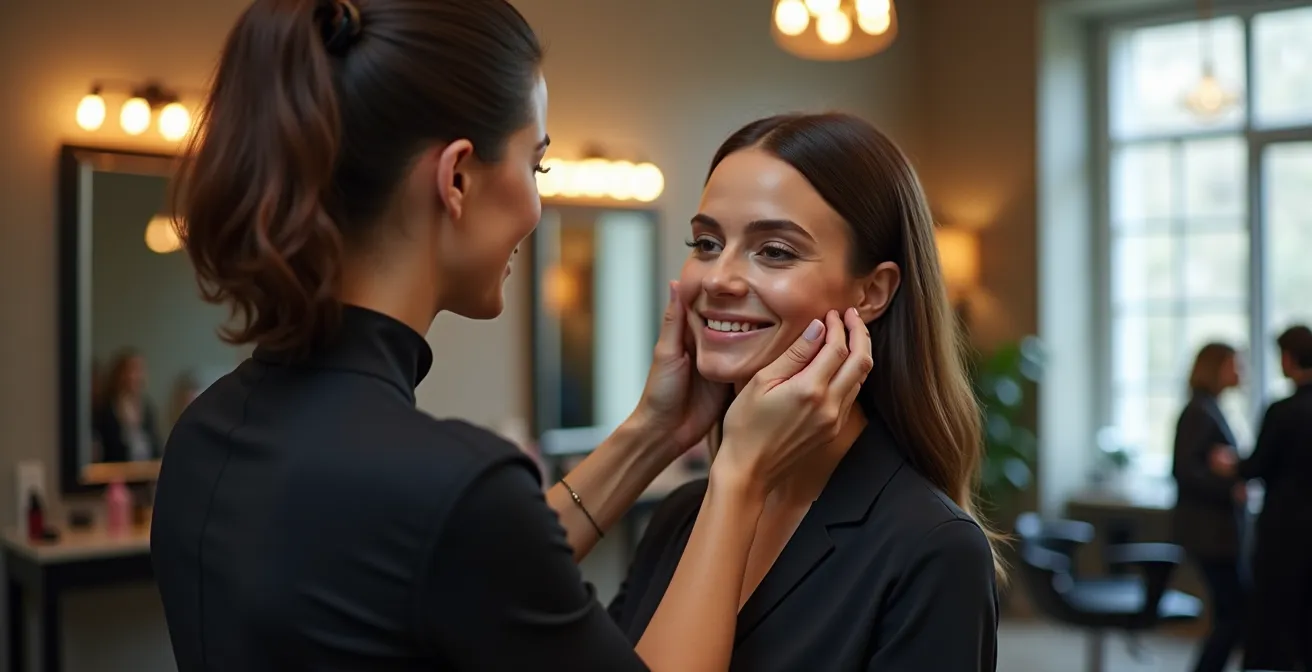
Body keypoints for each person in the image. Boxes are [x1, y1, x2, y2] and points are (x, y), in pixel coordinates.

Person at [147, 1, 874, 670]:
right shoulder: (451, 485)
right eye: (537, 164)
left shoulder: (205, 433)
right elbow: (465, 541)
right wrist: (741, 475)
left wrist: (654, 433)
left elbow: (470, 577)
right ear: (457, 178)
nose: (537, 203)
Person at [607, 113, 1001, 671]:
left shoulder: (931, 548)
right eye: (706, 242)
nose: (718, 278)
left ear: (872, 291)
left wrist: (739, 476)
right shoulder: (680, 518)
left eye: (774, 251)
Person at [1214, 325, 1312, 671]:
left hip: (1285, 527)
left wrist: (1231, 465)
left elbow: (1256, 466)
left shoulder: (1283, 411)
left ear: (1287, 359)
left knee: (1277, 610)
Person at [1170, 342, 1247, 672]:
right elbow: (1185, 471)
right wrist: (1230, 484)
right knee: (1236, 612)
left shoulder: (1209, 407)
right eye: (1234, 365)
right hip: (1208, 534)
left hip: (1216, 532)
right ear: (1215, 368)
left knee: (1232, 612)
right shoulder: (1199, 411)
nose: (1241, 372)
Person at [92, 349, 162, 463]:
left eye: (140, 370)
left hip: (145, 473)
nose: (136, 376)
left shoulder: (148, 408)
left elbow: (156, 444)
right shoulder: (106, 408)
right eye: (131, 370)